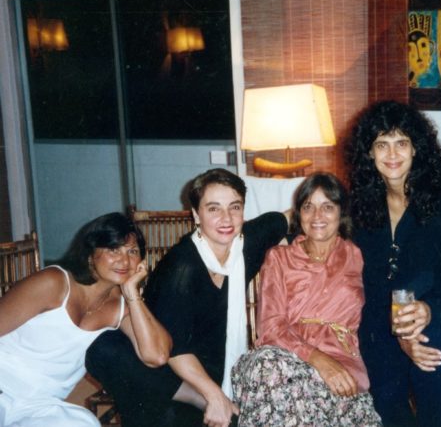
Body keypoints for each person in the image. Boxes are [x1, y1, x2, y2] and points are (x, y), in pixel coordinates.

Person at [86, 169, 289, 427]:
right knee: (107, 352)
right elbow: (175, 350)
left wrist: (301, 246)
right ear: (196, 215)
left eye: (234, 207)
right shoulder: (181, 268)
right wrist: (214, 396)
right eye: (213, 209)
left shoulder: (248, 242)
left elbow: (289, 218)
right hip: (173, 376)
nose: (226, 218)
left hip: (220, 372)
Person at [345, 100, 441, 427]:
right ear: (368, 153)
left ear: (416, 148)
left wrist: (429, 310)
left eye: (401, 143)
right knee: (387, 404)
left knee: (433, 353)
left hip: (432, 325)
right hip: (378, 330)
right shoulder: (359, 209)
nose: (392, 154)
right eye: (382, 144)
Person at [230, 172, 381, 426]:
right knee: (268, 367)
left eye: (327, 207)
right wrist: (318, 359)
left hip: (342, 368)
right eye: (308, 207)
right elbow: (270, 327)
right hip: (283, 361)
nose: (317, 216)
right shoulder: (279, 257)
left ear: (341, 213)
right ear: (298, 214)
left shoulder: (358, 256)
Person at [0, 212, 171, 427]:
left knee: (85, 423)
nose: (124, 260)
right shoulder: (54, 282)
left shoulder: (120, 306)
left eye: (133, 251)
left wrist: (132, 293)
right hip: (3, 386)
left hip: (39, 406)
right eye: (113, 249)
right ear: (90, 254)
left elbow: (157, 356)